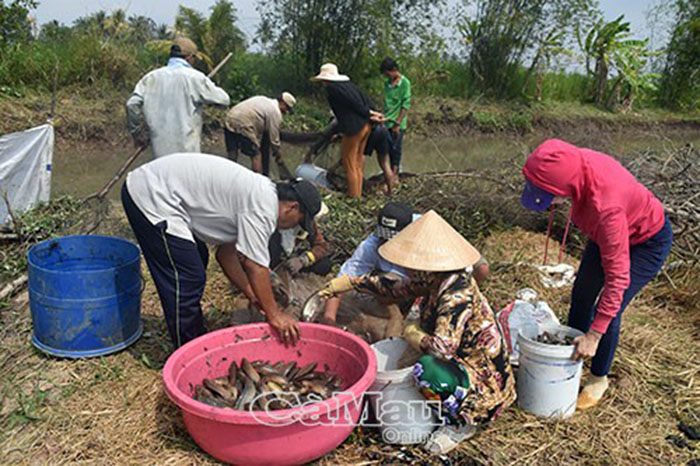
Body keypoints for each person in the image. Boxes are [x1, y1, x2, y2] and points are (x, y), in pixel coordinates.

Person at [319, 210, 514, 454]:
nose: (406, 267)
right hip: (460, 358)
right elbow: (398, 288)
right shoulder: (434, 277)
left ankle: (464, 422)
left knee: (425, 370)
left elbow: (443, 349)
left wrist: (412, 332)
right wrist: (351, 282)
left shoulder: (456, 292)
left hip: (481, 377)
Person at [520, 139, 673, 410]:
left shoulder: (606, 209)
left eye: (548, 195)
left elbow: (617, 279)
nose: (550, 202)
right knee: (582, 293)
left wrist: (594, 335)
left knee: (609, 308)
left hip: (646, 241)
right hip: (608, 233)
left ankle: (598, 377)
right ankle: (572, 355)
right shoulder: (573, 163)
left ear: (564, 187)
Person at [121, 153, 322, 348]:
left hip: (162, 191)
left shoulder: (259, 194)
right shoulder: (263, 207)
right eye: (298, 222)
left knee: (197, 257)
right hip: (150, 195)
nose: (292, 227)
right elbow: (255, 267)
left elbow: (226, 255)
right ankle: (189, 348)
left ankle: (191, 329)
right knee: (187, 276)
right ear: (292, 208)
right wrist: (275, 315)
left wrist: (251, 293)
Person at [126, 37, 230, 158]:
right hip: (188, 156)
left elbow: (131, 105)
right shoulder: (195, 78)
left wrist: (138, 135)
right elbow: (224, 99)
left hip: (160, 155)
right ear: (190, 57)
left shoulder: (150, 78)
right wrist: (206, 90)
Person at [311, 63, 385, 198]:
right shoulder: (350, 86)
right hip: (366, 125)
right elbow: (364, 101)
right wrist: (372, 113)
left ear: (325, 80)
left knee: (349, 165)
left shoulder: (333, 88)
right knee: (357, 164)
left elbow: (352, 106)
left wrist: (369, 113)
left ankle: (354, 198)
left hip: (354, 128)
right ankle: (358, 195)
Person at [224, 93, 296, 176]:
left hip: (230, 117)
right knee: (256, 155)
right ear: (282, 103)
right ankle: (257, 181)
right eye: (286, 108)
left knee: (232, 152)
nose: (286, 112)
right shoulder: (275, 112)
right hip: (244, 122)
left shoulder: (264, 100)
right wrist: (277, 154)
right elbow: (274, 138)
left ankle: (228, 175)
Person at [380, 57, 411, 181]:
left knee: (396, 149)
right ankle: (387, 173)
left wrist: (398, 122)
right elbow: (387, 103)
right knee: (386, 148)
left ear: (394, 70)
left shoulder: (405, 83)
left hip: (397, 122)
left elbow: (405, 104)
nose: (387, 76)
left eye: (388, 74)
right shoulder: (387, 84)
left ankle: (395, 173)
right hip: (386, 121)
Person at [363, 125, 396, 194]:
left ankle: (359, 186)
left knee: (361, 156)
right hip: (383, 130)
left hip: (369, 130)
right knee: (385, 164)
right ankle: (390, 191)